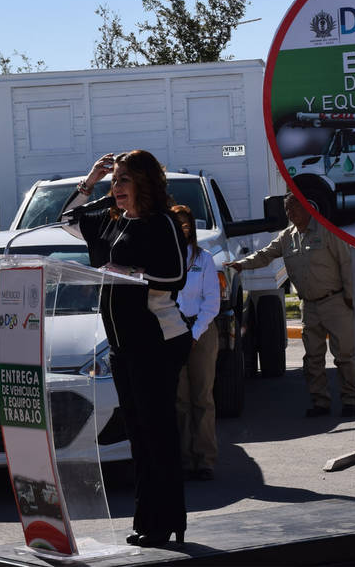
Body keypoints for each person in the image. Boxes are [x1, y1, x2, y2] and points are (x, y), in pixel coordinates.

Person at [62, 150, 189, 548]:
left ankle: (168, 521)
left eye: (123, 180)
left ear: (144, 183)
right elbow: (67, 220)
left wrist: (130, 272)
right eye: (114, 180)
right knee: (138, 435)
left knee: (157, 434)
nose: (116, 187)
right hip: (122, 346)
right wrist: (91, 180)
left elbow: (176, 276)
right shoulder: (112, 221)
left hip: (157, 342)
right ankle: (147, 520)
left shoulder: (161, 222)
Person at [226, 193, 355, 418]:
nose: (290, 212)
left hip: (335, 301)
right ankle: (320, 402)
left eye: (295, 207)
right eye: (287, 209)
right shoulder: (287, 236)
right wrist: (240, 265)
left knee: (345, 356)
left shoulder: (326, 230)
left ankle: (352, 401)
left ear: (308, 207)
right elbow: (265, 255)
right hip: (310, 306)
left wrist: (351, 296)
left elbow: (347, 263)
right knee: (313, 358)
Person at [172, 204, 220, 481]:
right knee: (180, 399)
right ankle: (184, 459)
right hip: (173, 331)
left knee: (202, 397)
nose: (182, 229)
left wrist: (195, 332)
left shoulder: (204, 258)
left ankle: (205, 460)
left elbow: (212, 301)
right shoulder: (164, 258)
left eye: (185, 224)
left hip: (201, 330)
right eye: (176, 224)